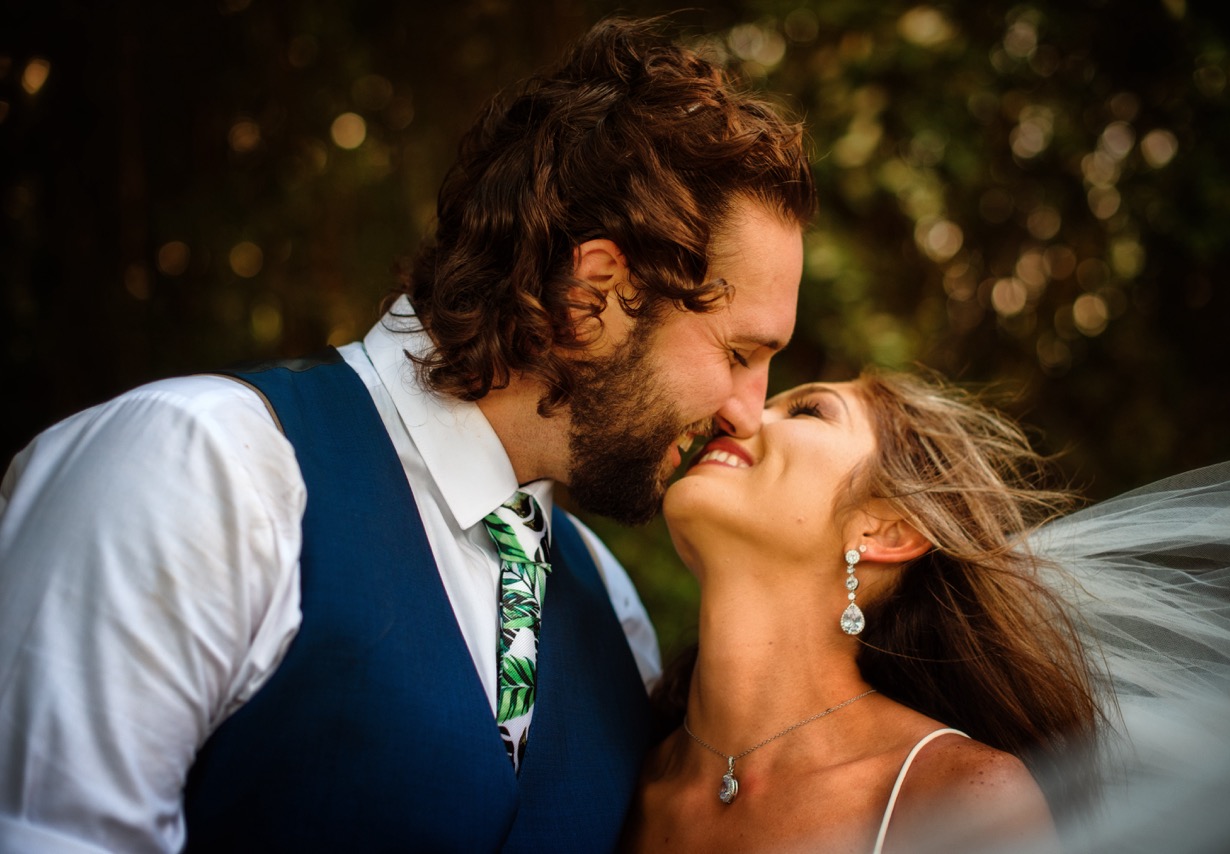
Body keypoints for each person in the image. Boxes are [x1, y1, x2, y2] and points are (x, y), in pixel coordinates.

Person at [0, 17, 816, 853]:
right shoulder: (197, 468)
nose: (748, 411)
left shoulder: (611, 607)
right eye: (740, 352)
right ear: (592, 295)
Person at [622, 371, 1230, 853]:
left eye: (809, 411)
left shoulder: (959, 796)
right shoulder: (620, 760)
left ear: (887, 530)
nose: (738, 415)